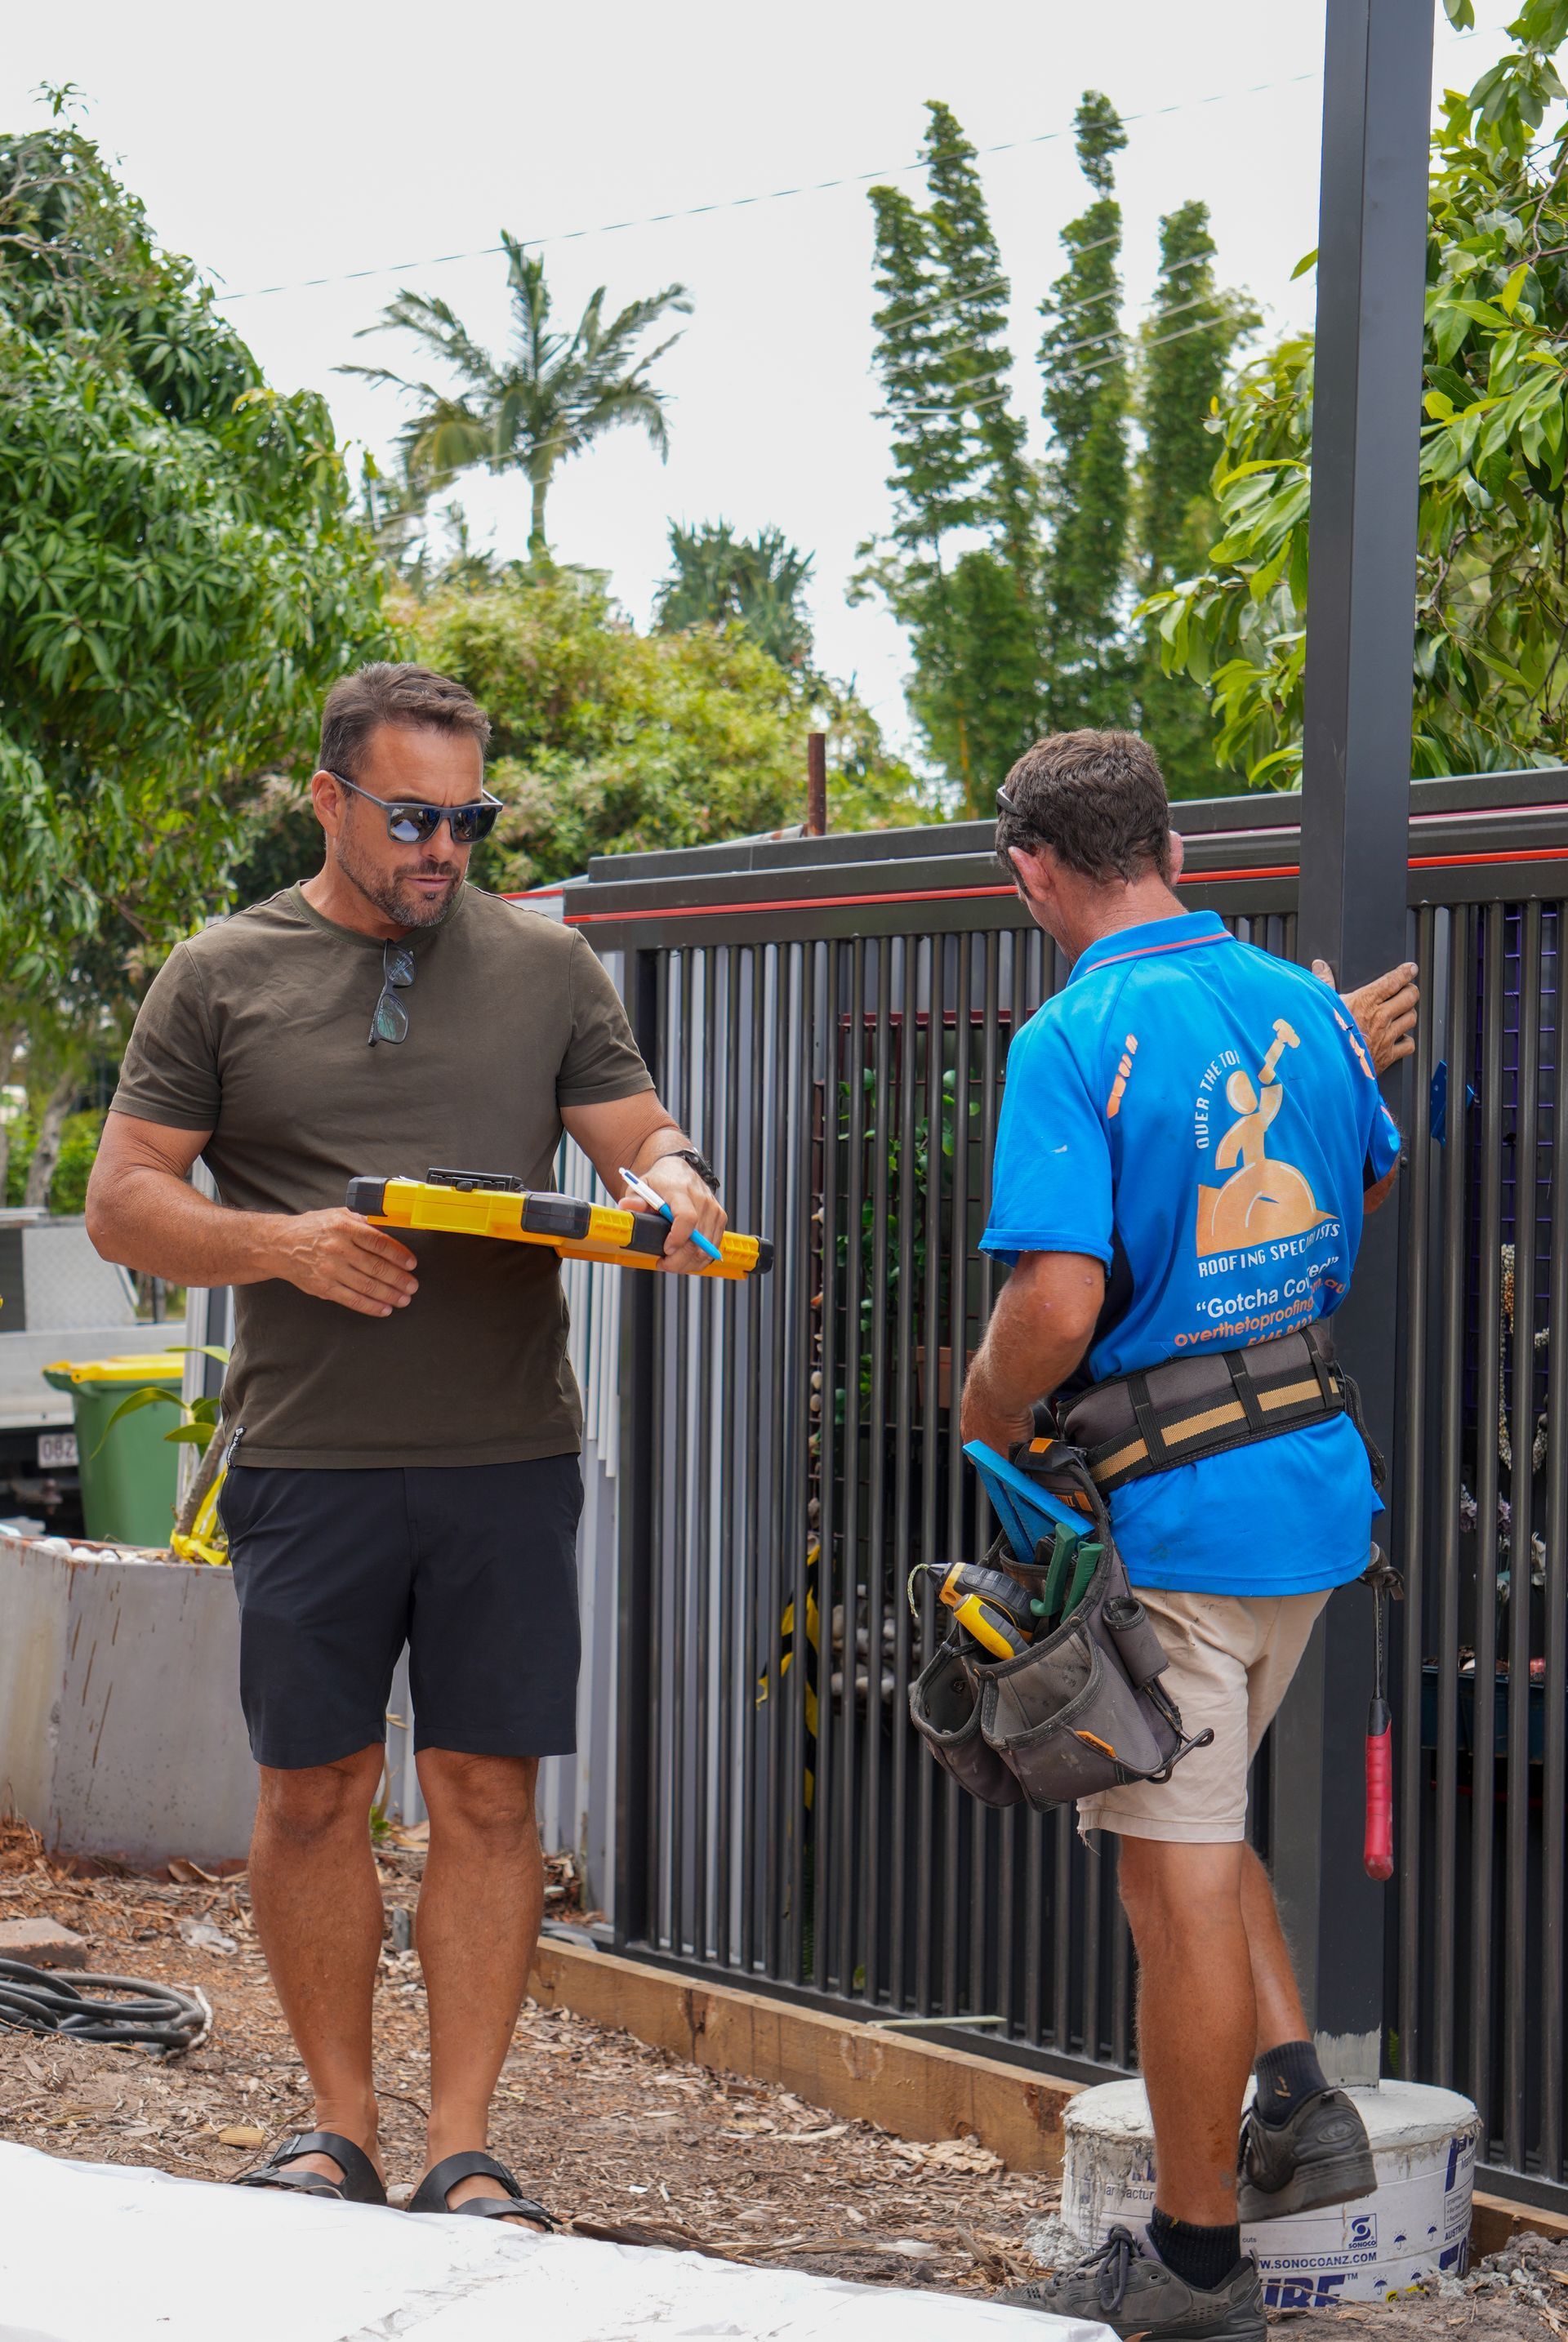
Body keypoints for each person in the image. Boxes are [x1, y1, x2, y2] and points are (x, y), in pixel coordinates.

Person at [86, 661, 728, 2226]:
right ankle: (337, 2129)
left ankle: (463, 2145)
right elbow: (125, 1201)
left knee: (487, 1796)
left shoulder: (547, 965)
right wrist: (289, 1247)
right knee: (313, 1793)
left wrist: (677, 1182)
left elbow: (635, 1134)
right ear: (331, 800)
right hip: (312, 1456)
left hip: (506, 1455)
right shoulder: (218, 972)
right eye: (414, 817)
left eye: (468, 818)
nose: (445, 848)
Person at [958, 731, 1417, 2342]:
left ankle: (1198, 2256)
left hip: (1180, 1518)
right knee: (1202, 1828)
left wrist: (980, 1414)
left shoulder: (1075, 1034)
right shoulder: (1300, 1003)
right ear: (1166, 843)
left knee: (1171, 1894)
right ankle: (1296, 2096)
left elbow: (1058, 1299)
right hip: (1312, 1498)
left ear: (1033, 868)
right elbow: (1353, 1156)